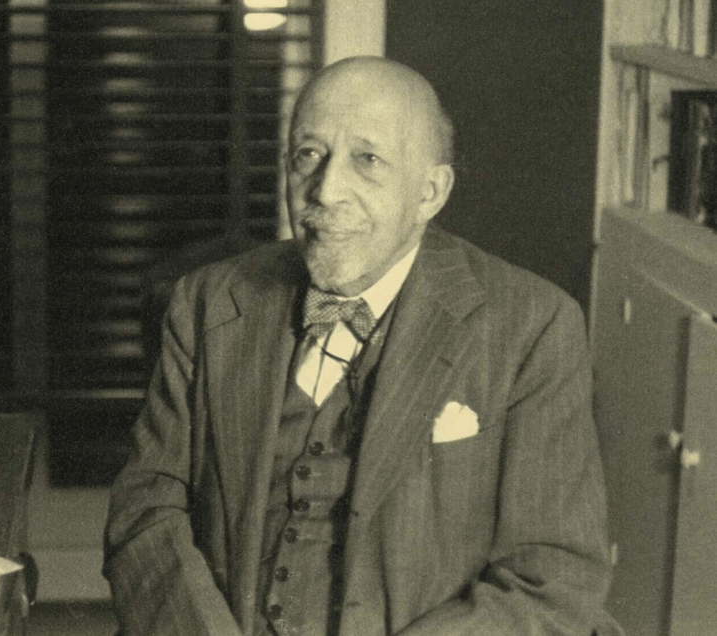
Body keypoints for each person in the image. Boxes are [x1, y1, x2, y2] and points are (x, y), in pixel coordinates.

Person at [103, 57, 617, 636]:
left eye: (366, 160)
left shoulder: (532, 327)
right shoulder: (208, 301)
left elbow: (553, 579)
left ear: (430, 192)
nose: (325, 190)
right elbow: (146, 509)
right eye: (308, 155)